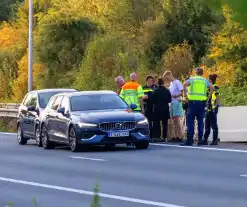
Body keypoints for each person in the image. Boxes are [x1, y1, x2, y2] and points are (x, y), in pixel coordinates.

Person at [182, 67, 214, 146]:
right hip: (202, 104)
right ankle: (200, 140)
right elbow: (212, 88)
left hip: (192, 103)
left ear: (195, 72)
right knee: (200, 122)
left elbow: (184, 84)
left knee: (190, 121)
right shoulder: (205, 80)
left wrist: (185, 95)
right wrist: (208, 98)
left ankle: (190, 140)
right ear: (202, 73)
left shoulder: (192, 79)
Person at [163, 71, 184, 142]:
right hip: (172, 103)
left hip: (177, 102)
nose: (167, 79)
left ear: (169, 75)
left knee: (177, 120)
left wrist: (175, 96)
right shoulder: (171, 83)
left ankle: (180, 136)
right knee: (174, 120)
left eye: (167, 77)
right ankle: (175, 136)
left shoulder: (177, 82)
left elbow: (182, 92)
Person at [202, 74, 220, 145]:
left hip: (213, 109)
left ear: (210, 80)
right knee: (207, 125)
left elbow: (218, 98)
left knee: (214, 125)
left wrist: (215, 107)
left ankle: (215, 140)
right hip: (208, 108)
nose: (207, 80)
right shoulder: (208, 88)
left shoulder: (215, 87)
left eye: (208, 79)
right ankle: (205, 139)